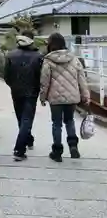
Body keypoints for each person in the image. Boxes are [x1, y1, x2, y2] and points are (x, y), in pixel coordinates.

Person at [40, 32, 90, 163]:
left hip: (55, 99)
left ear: (51, 45)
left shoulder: (48, 60)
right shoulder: (74, 58)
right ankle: (73, 146)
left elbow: (45, 81)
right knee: (69, 121)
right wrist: (86, 96)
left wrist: (43, 97)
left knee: (56, 124)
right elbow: (82, 79)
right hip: (72, 97)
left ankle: (57, 152)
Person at [4, 30, 43, 161]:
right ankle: (19, 149)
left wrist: (13, 85)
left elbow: (6, 76)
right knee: (26, 119)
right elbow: (40, 76)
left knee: (21, 118)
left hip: (16, 91)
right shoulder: (38, 56)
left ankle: (28, 139)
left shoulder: (10, 55)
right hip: (31, 92)